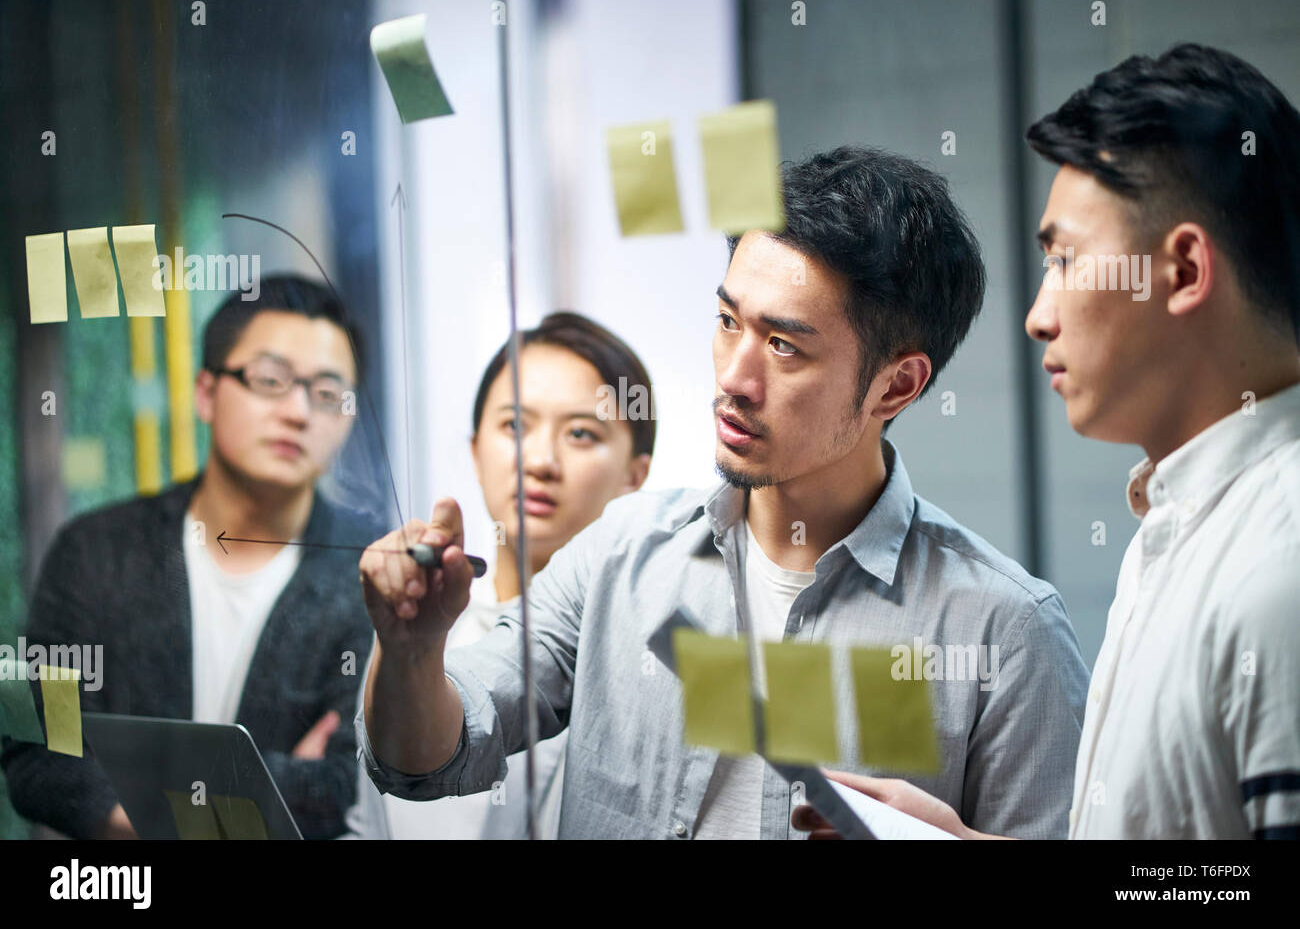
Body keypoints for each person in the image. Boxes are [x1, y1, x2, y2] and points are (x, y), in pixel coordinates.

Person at [358, 146, 1090, 840]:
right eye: (727, 322)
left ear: (895, 385)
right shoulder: (623, 554)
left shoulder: (1003, 631)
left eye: (783, 346)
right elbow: (425, 762)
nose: (734, 380)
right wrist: (411, 651)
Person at [796, 43, 1300, 840]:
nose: (1039, 315)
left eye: (1066, 260)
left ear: (1183, 272)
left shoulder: (1280, 566)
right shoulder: (1185, 527)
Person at [1, 276, 378, 839]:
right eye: (270, 380)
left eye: (327, 394)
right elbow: (38, 753)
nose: (299, 412)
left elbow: (343, 786)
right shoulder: (96, 551)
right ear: (206, 392)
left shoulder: (370, 576)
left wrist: (136, 784)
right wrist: (258, 791)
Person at [351, 311, 654, 838]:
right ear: (475, 449)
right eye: (515, 425)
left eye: (581, 433)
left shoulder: (641, 657)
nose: (539, 460)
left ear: (636, 475)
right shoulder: (414, 619)